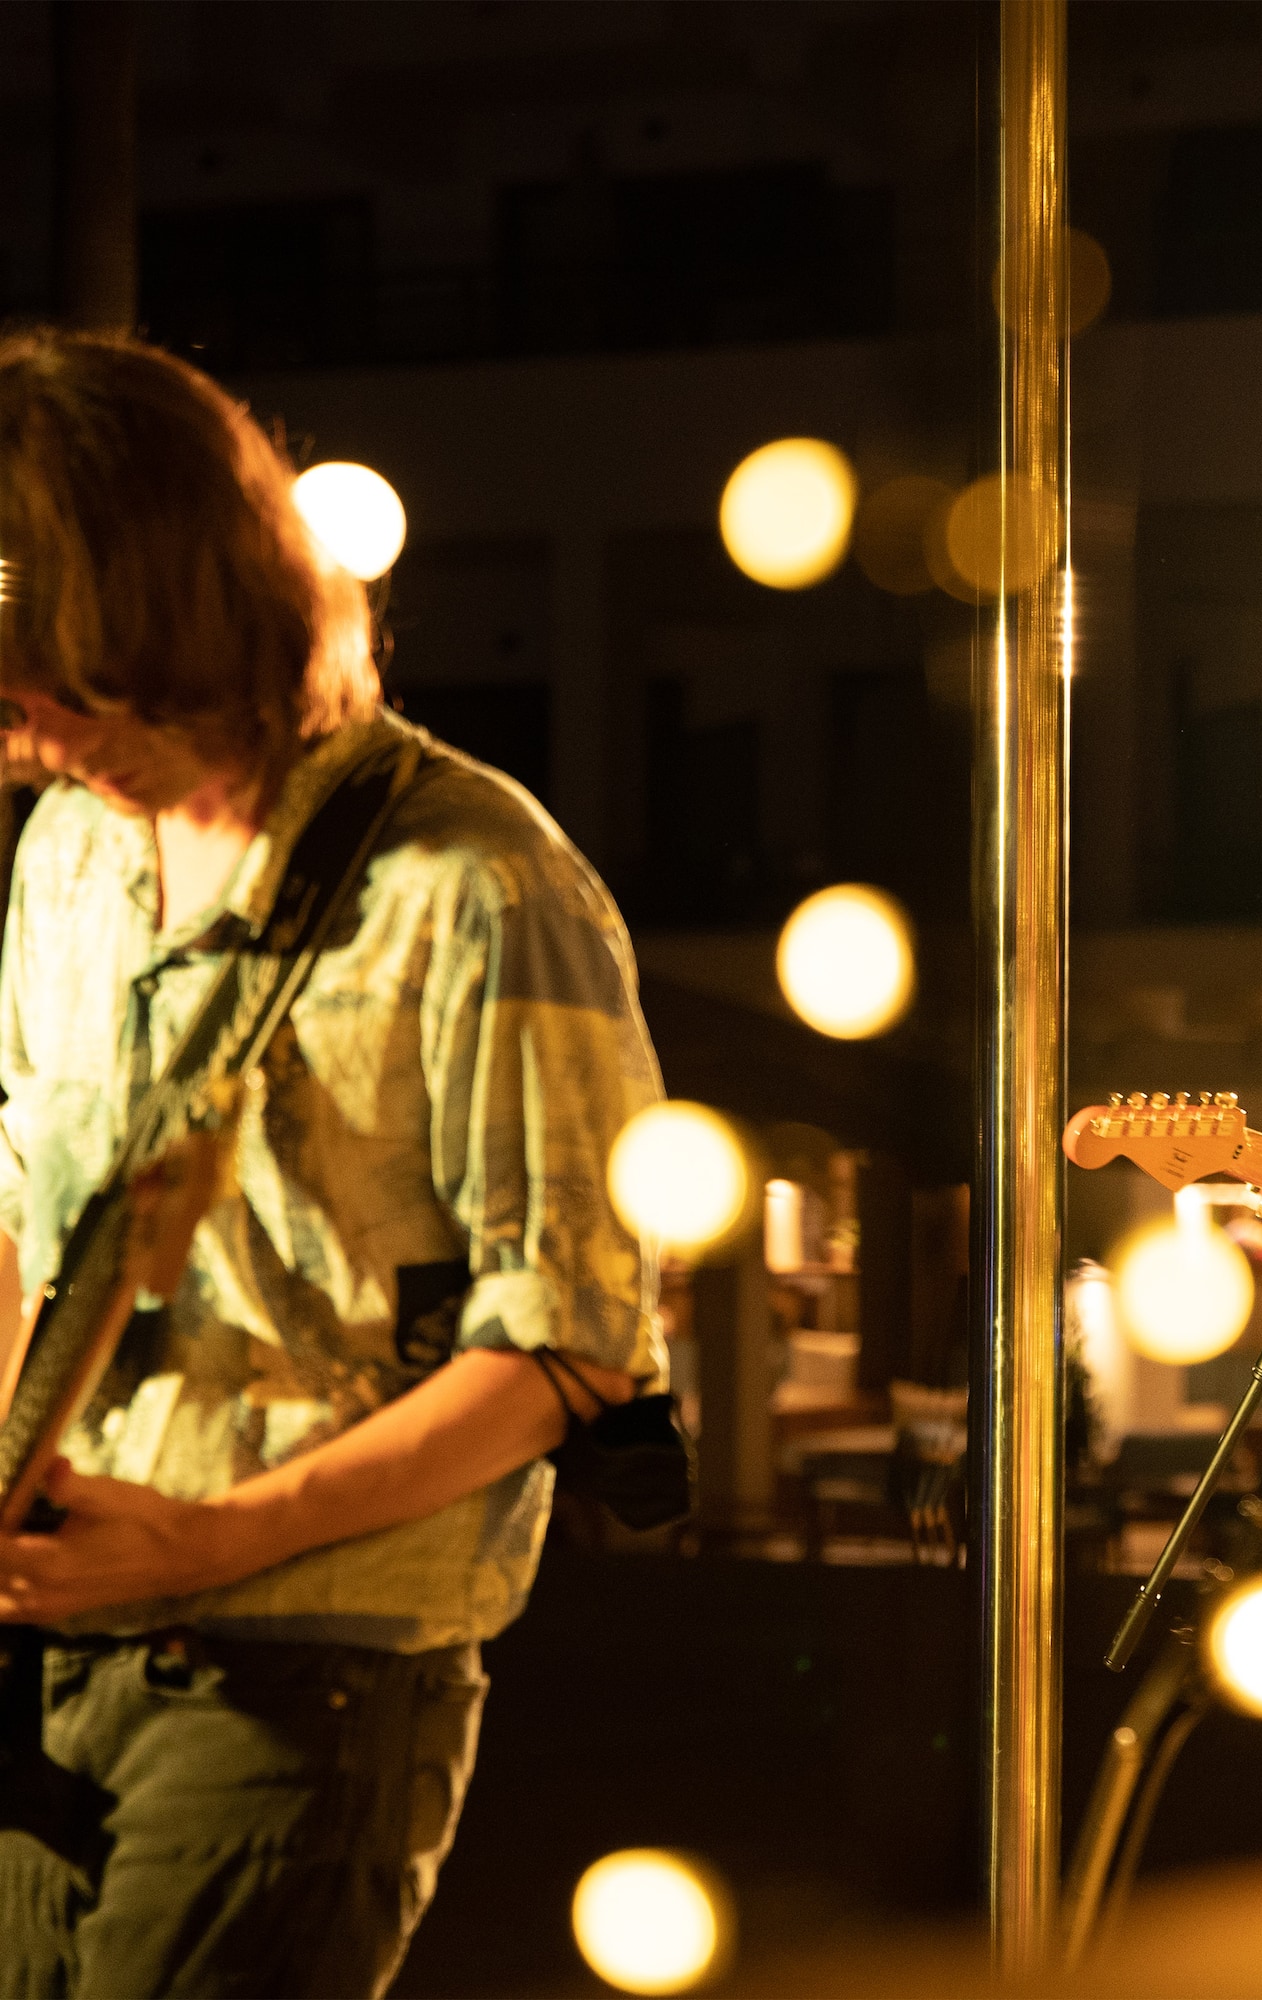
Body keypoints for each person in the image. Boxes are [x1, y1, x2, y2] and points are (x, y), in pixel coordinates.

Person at [0, 329, 663, 1994]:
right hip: (62, 1652)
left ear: (178, 605)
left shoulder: (483, 878)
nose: (40, 734)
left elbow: (576, 1345)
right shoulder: (71, 854)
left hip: (320, 1675)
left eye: (70, 686)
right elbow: (26, 1216)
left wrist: (208, 1542)